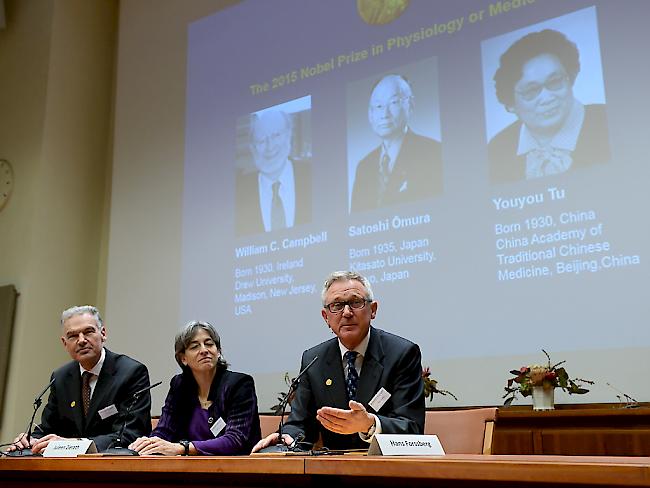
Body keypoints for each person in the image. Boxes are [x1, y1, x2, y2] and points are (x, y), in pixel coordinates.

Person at [252, 271, 425, 452]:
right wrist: (287, 437)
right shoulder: (314, 360)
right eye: (337, 305)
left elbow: (412, 427)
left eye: (356, 302)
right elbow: (300, 424)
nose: (347, 312)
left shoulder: (401, 353)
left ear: (373, 310)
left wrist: (370, 425)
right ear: (326, 317)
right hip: (334, 472)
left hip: (388, 470)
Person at [7, 305, 151, 454]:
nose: (81, 340)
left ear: (103, 333)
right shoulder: (61, 377)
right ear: (65, 343)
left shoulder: (131, 372)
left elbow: (130, 434)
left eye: (88, 332)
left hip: (113, 465)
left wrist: (75, 444)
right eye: (73, 336)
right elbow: (48, 427)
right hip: (68, 468)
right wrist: (32, 440)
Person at [488, 29, 610, 183]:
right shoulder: (497, 148)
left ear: (570, 79)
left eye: (555, 81)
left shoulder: (610, 120)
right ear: (511, 104)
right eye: (531, 91)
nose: (547, 98)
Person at [129, 321, 261, 455]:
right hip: (188, 469)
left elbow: (235, 439)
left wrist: (183, 448)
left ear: (218, 352)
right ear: (183, 358)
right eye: (194, 346)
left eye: (209, 344)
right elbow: (165, 430)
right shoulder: (179, 384)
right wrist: (150, 443)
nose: (204, 350)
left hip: (236, 468)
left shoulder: (239, 384)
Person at [350, 74, 442, 213]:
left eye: (393, 103)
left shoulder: (434, 152)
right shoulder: (364, 167)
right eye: (379, 106)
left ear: (410, 105)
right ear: (370, 114)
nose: (384, 114)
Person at [235, 109, 311, 236]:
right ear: (252, 148)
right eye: (261, 141)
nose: (270, 146)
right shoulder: (237, 192)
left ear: (288, 136)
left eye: (276, 135)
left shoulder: (313, 175)